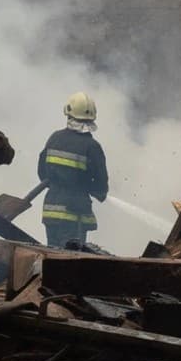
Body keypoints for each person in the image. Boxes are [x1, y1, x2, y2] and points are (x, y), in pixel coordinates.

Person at [38, 91, 108, 249]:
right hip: (74, 215)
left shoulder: (54, 138)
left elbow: (42, 172)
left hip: (51, 212)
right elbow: (101, 183)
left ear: (68, 113)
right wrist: (98, 192)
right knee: (70, 263)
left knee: (52, 259)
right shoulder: (92, 147)